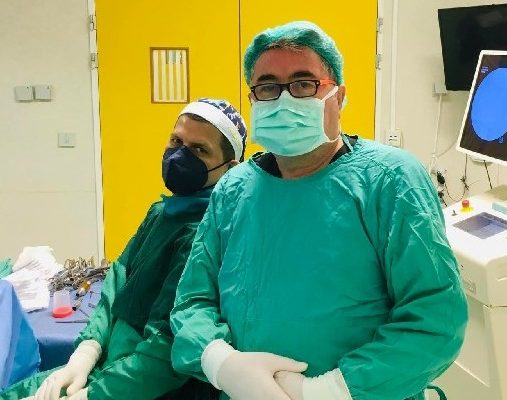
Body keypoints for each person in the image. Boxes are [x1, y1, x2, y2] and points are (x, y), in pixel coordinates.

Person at [170, 21, 468, 400]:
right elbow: (192, 300)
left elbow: (435, 317)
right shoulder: (233, 188)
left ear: (337, 97)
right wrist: (222, 363)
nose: (284, 99)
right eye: (267, 86)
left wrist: (326, 390)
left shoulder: (391, 180)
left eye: (303, 83)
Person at [0, 98, 247, 400]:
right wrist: (87, 351)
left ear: (230, 169)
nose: (180, 155)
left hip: (145, 387)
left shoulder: (206, 236)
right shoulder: (161, 213)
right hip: (109, 367)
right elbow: (117, 277)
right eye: (176, 141)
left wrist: (92, 395)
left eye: (199, 150)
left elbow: (167, 353)